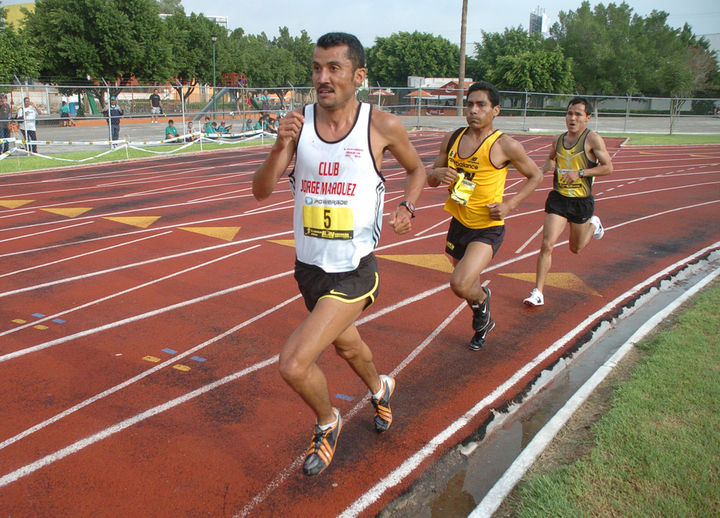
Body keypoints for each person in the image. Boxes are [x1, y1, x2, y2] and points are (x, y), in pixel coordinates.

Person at [252, 32, 425, 477]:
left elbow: (417, 169)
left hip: (355, 271)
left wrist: (407, 206)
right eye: (316, 68)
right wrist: (279, 146)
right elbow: (260, 191)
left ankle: (328, 422)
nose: (322, 78)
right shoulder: (298, 126)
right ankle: (381, 388)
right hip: (310, 269)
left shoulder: (381, 125)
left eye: (334, 68)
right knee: (349, 347)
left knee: (294, 364)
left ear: (358, 75)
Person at [427, 81, 542, 350]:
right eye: (469, 104)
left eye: (481, 105)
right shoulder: (452, 138)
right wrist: (436, 173)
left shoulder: (505, 145)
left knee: (459, 283)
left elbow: (535, 175)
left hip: (487, 226)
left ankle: (482, 303)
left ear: (495, 110)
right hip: (459, 223)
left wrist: (509, 205)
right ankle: (483, 318)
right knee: (469, 285)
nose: (473, 110)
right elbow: (431, 179)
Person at [523, 97, 613, 307]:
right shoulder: (558, 139)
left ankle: (594, 224)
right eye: (569, 113)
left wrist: (580, 173)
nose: (572, 118)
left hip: (581, 202)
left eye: (578, 114)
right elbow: (551, 159)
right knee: (547, 244)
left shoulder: (593, 140)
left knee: (576, 248)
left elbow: (608, 167)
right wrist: (538, 173)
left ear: (588, 117)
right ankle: (538, 292)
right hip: (559, 199)